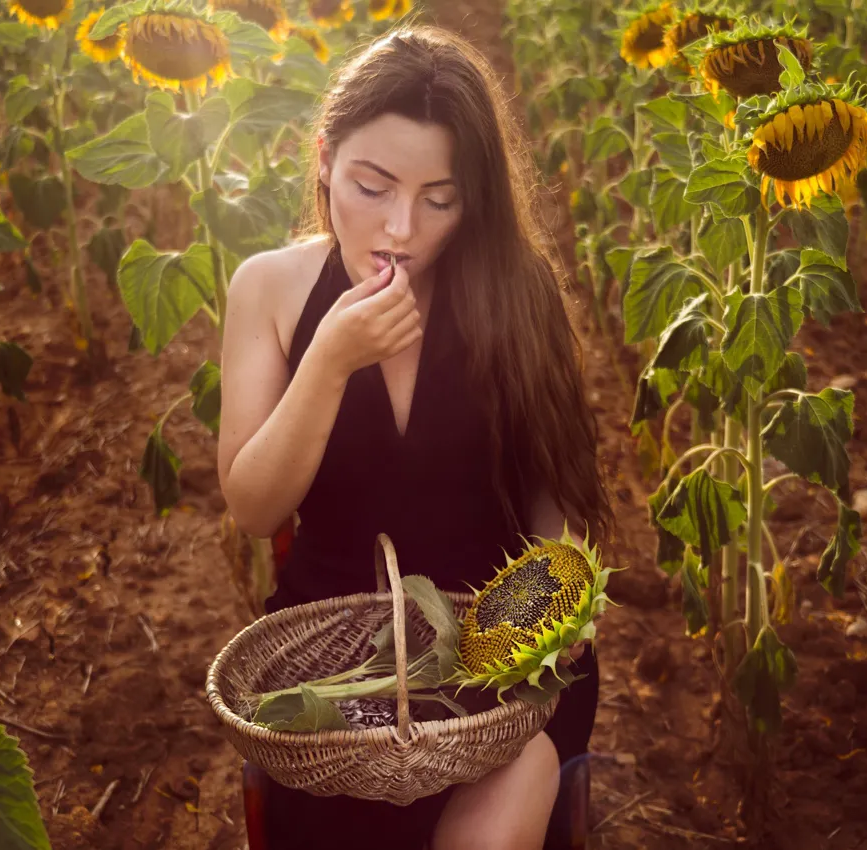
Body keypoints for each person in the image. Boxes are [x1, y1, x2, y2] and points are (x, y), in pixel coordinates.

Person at [216, 23, 614, 850]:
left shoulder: (515, 292)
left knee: (499, 805)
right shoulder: (270, 290)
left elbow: (558, 500)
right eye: (372, 185)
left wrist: (539, 639)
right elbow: (254, 507)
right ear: (323, 158)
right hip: (334, 662)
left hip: (501, 652)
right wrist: (328, 362)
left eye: (439, 200)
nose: (401, 228)